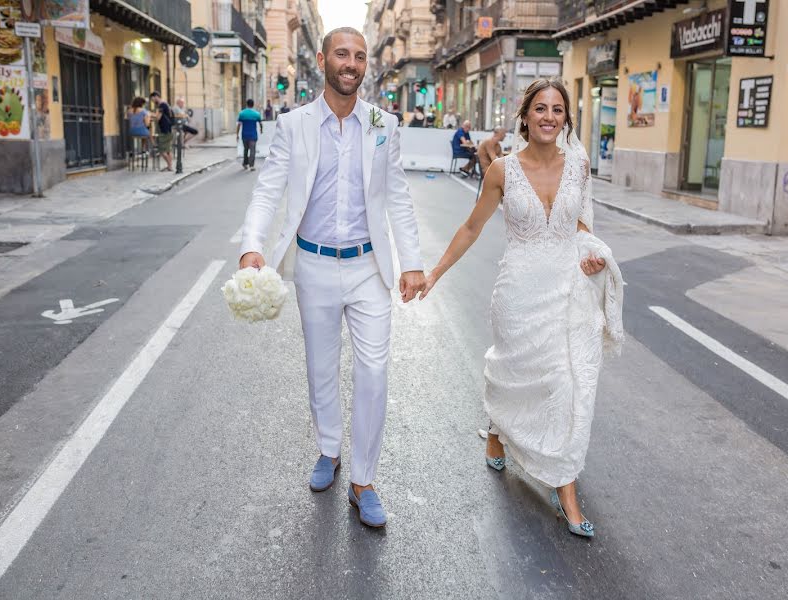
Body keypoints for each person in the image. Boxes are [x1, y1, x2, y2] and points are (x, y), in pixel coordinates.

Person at [237, 27, 425, 528]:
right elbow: (268, 190)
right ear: (322, 60)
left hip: (369, 268)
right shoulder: (294, 124)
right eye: (343, 54)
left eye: (360, 56)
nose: (352, 63)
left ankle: (363, 480)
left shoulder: (384, 124)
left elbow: (400, 196)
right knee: (321, 367)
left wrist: (411, 261)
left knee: (374, 371)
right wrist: (252, 246)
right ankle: (328, 449)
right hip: (314, 266)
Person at [420, 78, 623, 539]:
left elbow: (583, 227)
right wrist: (435, 273)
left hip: (568, 289)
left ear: (566, 118)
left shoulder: (580, 166)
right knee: (517, 375)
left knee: (567, 383)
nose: (549, 117)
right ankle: (497, 431)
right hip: (519, 293)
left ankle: (564, 483)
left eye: (557, 109)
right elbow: (472, 228)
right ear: (525, 117)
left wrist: (591, 256)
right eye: (540, 109)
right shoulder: (502, 171)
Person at [149, 91, 174, 171]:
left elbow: (158, 117)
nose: (153, 101)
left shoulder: (162, 105)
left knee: (162, 149)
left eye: (152, 99)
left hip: (164, 129)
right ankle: (170, 166)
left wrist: (150, 115)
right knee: (168, 149)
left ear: (156, 96)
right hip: (168, 128)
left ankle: (170, 166)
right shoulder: (165, 104)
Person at [237, 98, 263, 171]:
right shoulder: (256, 114)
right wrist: (261, 130)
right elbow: (260, 123)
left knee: (245, 149)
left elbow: (239, 125)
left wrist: (237, 134)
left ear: (247, 104)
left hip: (244, 135)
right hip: (253, 135)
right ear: (253, 104)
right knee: (252, 150)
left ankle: (245, 164)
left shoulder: (242, 113)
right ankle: (251, 165)